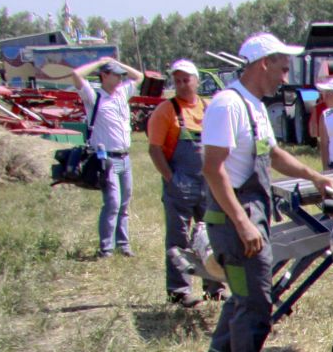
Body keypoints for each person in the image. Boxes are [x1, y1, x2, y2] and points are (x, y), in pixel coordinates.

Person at [196, 32, 332, 352]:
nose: (285, 78)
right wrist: (242, 223)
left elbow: (271, 154)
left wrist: (313, 176)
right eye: (283, 68)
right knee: (256, 302)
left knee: (243, 297)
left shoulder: (254, 106)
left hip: (251, 211)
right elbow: (213, 169)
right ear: (263, 64)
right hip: (234, 216)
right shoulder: (227, 106)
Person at [145, 59, 223, 306]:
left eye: (186, 80)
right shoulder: (166, 111)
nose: (181, 85)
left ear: (197, 81)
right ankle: (179, 291)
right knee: (179, 238)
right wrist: (171, 179)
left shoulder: (208, 108)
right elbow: (154, 149)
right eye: (177, 81)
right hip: (181, 184)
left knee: (212, 234)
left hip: (208, 184)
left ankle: (215, 287)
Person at [69, 56, 139, 257]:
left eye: (120, 76)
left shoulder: (121, 93)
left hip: (125, 157)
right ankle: (106, 248)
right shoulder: (94, 96)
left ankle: (123, 245)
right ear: (104, 76)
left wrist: (118, 63)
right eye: (115, 75)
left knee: (124, 203)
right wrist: (100, 63)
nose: (119, 79)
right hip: (106, 158)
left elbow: (139, 76)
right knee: (113, 203)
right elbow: (75, 75)